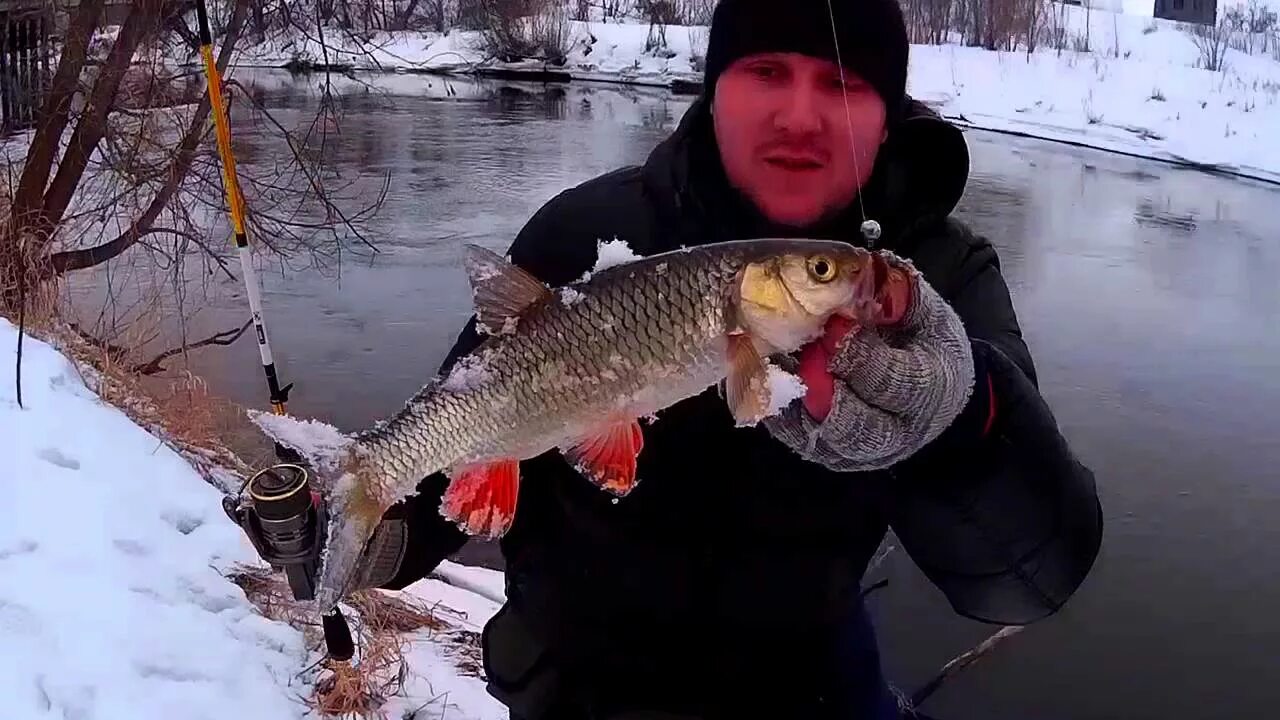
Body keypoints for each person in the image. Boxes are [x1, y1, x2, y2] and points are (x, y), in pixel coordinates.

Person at [242, 0, 1104, 717]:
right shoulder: (586, 233)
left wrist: (961, 415)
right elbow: (473, 417)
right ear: (715, 88)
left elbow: (1033, 578)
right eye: (767, 71)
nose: (800, 116)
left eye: (840, 84)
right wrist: (368, 535)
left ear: (887, 119)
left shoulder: (930, 282)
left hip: (808, 681)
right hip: (577, 680)